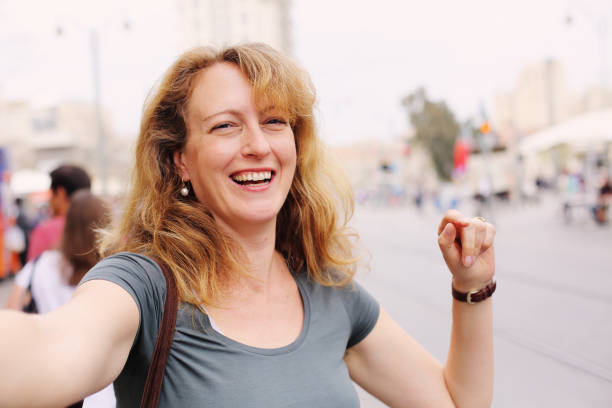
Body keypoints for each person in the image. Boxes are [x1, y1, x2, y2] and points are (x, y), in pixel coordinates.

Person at [0, 44, 496, 407]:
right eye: (225, 125)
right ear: (181, 163)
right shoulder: (145, 287)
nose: (258, 144)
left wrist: (471, 287)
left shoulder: (329, 293)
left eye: (275, 122)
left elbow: (456, 404)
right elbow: (51, 352)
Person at [4, 190, 115, 406]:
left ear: (68, 223)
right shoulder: (119, 269)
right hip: (108, 387)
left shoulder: (40, 265)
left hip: (53, 386)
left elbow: (10, 315)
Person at [26, 164, 91, 262]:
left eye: (51, 194)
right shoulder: (101, 228)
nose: (50, 200)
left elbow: (33, 272)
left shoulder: (44, 231)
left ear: (60, 193)